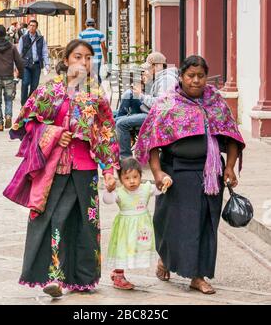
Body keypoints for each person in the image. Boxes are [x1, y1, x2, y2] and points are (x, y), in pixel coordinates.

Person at [3, 39, 119, 298]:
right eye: (78, 56)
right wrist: (54, 133)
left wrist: (109, 169)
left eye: (89, 58)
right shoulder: (47, 91)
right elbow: (26, 124)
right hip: (53, 168)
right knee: (54, 219)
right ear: (66, 60)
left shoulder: (96, 94)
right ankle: (53, 277)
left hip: (85, 168)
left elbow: (106, 132)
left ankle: (83, 278)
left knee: (86, 223)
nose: (84, 62)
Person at [135, 55, 245, 295]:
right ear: (181, 77)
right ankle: (166, 257)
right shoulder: (167, 103)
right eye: (190, 76)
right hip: (175, 174)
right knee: (170, 224)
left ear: (206, 76)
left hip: (209, 174)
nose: (196, 81)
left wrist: (230, 167)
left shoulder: (216, 102)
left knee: (204, 226)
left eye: (201, 76)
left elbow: (232, 136)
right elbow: (152, 141)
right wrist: (157, 172)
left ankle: (198, 275)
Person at [103, 157, 172, 290]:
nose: (132, 181)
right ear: (121, 179)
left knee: (136, 250)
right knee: (122, 251)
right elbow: (107, 200)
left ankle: (117, 274)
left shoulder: (146, 188)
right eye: (127, 178)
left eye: (135, 176)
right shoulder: (120, 193)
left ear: (141, 175)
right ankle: (118, 275)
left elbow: (160, 188)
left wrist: (166, 180)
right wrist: (109, 190)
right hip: (125, 229)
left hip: (140, 229)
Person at [116, 52, 178, 159]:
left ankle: (125, 159)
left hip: (158, 116)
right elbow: (153, 97)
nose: (147, 70)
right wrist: (147, 83)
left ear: (156, 66)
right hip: (151, 110)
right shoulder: (159, 77)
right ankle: (118, 123)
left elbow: (161, 105)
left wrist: (141, 95)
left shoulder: (167, 80)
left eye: (149, 68)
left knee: (121, 124)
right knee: (129, 94)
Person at [0, 25, 24, 131]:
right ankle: (8, 116)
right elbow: (19, 62)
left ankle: (0, 124)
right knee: (8, 100)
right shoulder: (11, 46)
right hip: (8, 78)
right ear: (5, 34)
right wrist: (20, 74)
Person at [18, 19, 50, 106]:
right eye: (30, 25)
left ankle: (30, 102)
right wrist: (16, 66)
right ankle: (23, 104)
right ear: (28, 26)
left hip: (36, 65)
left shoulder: (41, 39)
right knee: (25, 83)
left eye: (34, 26)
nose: (32, 27)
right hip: (26, 64)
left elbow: (44, 52)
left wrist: (47, 64)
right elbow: (19, 52)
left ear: (36, 27)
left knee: (34, 85)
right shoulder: (23, 38)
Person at [79, 18, 108, 83]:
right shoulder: (100, 34)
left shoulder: (81, 34)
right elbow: (103, 47)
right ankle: (98, 91)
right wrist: (106, 60)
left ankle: (87, 91)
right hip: (97, 58)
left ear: (85, 25)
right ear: (94, 24)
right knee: (97, 75)